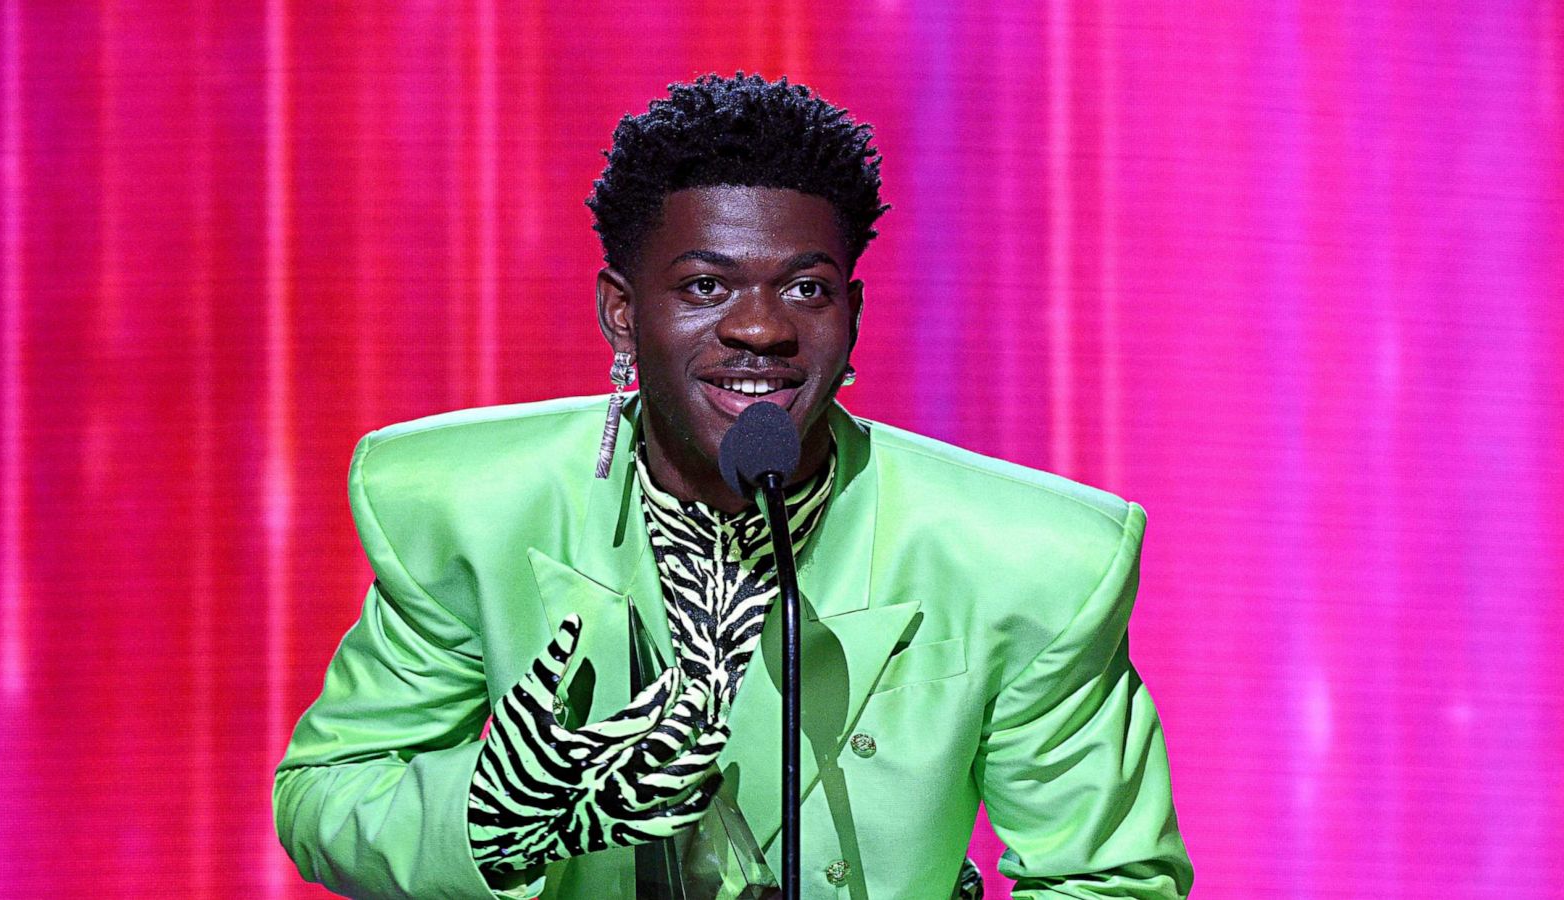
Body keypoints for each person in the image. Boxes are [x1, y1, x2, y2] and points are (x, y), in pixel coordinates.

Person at [273, 73, 1194, 899]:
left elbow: (1110, 880)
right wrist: (495, 816)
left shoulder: (1026, 559)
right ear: (623, 314)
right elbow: (325, 794)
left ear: (853, 315)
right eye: (707, 287)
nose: (761, 329)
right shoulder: (472, 509)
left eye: (805, 289)